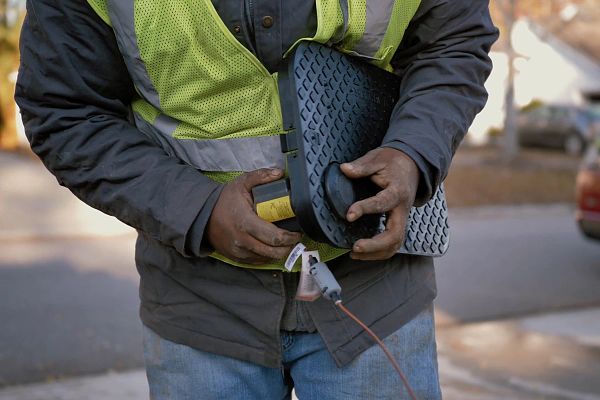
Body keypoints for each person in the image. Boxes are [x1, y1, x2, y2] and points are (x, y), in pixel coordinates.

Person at [15, 0, 497, 398]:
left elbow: (453, 42)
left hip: (374, 297)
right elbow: (65, 112)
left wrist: (412, 152)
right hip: (201, 304)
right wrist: (198, 210)